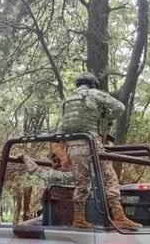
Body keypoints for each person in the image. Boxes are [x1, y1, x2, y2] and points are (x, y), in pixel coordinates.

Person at [58, 71, 142, 230]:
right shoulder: (94, 94)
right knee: (110, 178)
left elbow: (61, 127)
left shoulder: (67, 101)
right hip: (91, 144)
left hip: (73, 147)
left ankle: (79, 218)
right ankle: (119, 216)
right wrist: (105, 118)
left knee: (81, 184)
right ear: (93, 84)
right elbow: (119, 107)